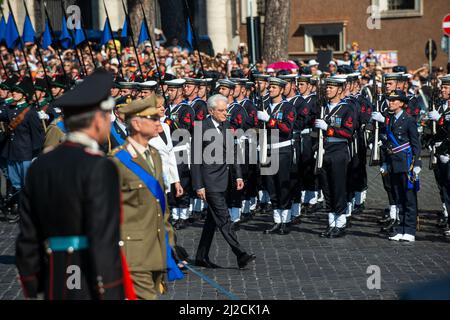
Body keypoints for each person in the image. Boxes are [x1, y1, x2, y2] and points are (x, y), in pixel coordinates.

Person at [16, 69, 130, 300]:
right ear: (98, 119)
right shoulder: (99, 166)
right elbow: (103, 235)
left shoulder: (41, 165)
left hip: (54, 274)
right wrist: (112, 288)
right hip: (87, 273)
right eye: (107, 117)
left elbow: (28, 234)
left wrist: (32, 282)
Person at [110, 95, 182, 300]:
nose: (159, 122)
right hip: (133, 251)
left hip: (157, 249)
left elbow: (162, 207)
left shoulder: (154, 155)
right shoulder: (117, 161)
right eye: (153, 118)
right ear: (136, 123)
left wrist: (170, 244)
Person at [192, 94, 256, 269]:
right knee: (224, 219)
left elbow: (232, 153)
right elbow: (195, 159)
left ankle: (201, 256)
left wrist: (238, 175)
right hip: (210, 181)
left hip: (225, 180)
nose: (225, 113)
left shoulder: (227, 125)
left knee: (212, 221)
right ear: (211, 111)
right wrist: (199, 185)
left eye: (226, 110)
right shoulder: (201, 128)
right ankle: (240, 254)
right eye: (221, 110)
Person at [374, 90, 421, 242]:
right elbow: (389, 143)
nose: (391, 102)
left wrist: (417, 164)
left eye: (394, 100)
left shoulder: (408, 120)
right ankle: (400, 229)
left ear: (402, 103)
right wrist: (386, 163)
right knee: (398, 197)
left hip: (407, 163)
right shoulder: (390, 119)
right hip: (394, 163)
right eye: (390, 100)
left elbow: (416, 144)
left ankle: (409, 230)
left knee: (409, 198)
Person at [315, 76, 355, 238]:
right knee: (327, 188)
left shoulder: (347, 108)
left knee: (338, 187)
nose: (328, 89)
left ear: (339, 90)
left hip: (338, 150)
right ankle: (331, 221)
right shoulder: (323, 107)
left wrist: (328, 128)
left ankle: (340, 223)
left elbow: (348, 132)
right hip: (324, 149)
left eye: (331, 87)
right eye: (327, 87)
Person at [0, 78, 44, 223]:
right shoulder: (10, 108)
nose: (13, 93)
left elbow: (37, 135)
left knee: (27, 184)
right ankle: (21, 211)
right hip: (12, 152)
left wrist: (35, 153)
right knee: (16, 184)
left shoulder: (30, 112)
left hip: (25, 152)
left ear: (24, 95)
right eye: (13, 91)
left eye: (17, 92)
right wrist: (6, 101)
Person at [257, 77, 296, 235]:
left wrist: (270, 120)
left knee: (282, 186)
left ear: (281, 89)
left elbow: (287, 128)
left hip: (282, 151)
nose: (270, 89)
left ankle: (285, 221)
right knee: (271, 186)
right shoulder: (265, 106)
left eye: (273, 87)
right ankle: (276, 220)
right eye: (269, 87)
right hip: (267, 150)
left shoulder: (288, 107)